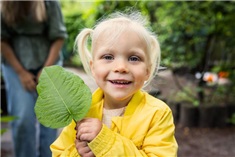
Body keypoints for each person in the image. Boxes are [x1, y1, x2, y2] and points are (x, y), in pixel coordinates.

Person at [50, 11, 178, 157]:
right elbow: (58, 153)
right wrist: (78, 153)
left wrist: (105, 142)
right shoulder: (81, 110)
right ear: (93, 67)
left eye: (134, 58)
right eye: (108, 57)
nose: (121, 67)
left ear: (148, 70)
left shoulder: (157, 114)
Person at [0, 1, 67, 157]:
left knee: (50, 118)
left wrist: (46, 69)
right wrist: (21, 72)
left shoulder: (49, 3)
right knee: (23, 118)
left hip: (49, 62)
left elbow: (58, 37)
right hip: (15, 66)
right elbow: (2, 40)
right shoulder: (4, 5)